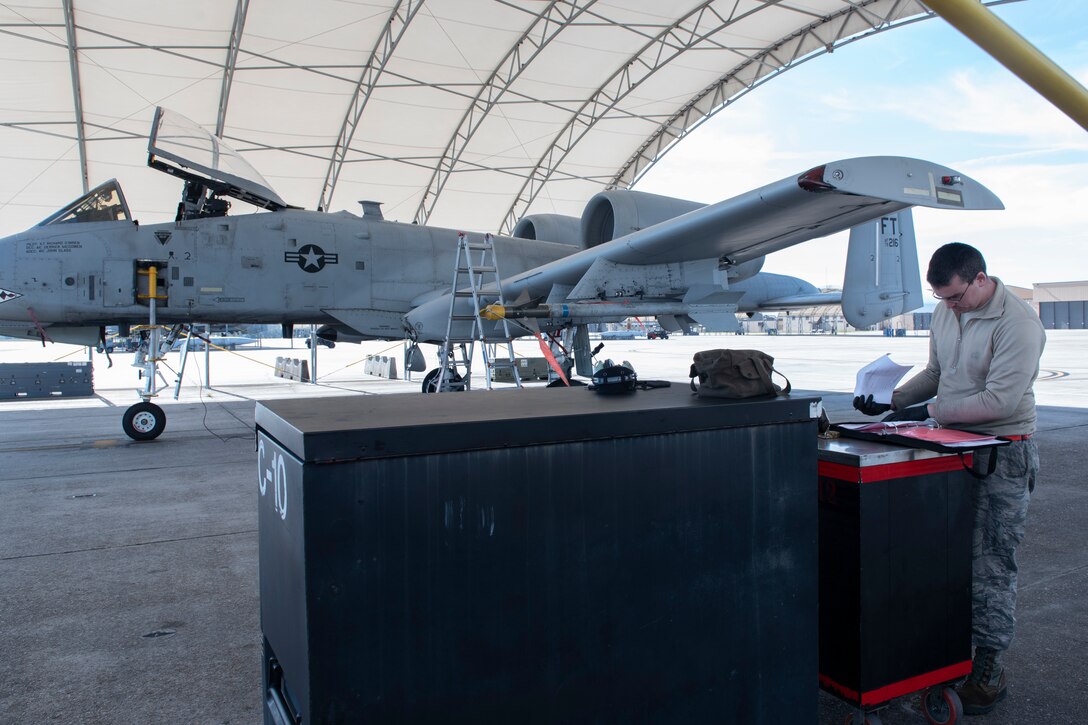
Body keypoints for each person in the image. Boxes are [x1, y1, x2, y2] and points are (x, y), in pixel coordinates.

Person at [853, 242, 1046, 716]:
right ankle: (946, 654)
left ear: (980, 278)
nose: (950, 307)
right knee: (943, 557)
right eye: (941, 299)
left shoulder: (1018, 323)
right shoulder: (948, 311)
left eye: (955, 297)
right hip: (950, 447)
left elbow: (999, 401)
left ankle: (989, 668)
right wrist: (895, 400)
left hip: (1003, 451)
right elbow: (937, 372)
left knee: (992, 563)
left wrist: (930, 412)